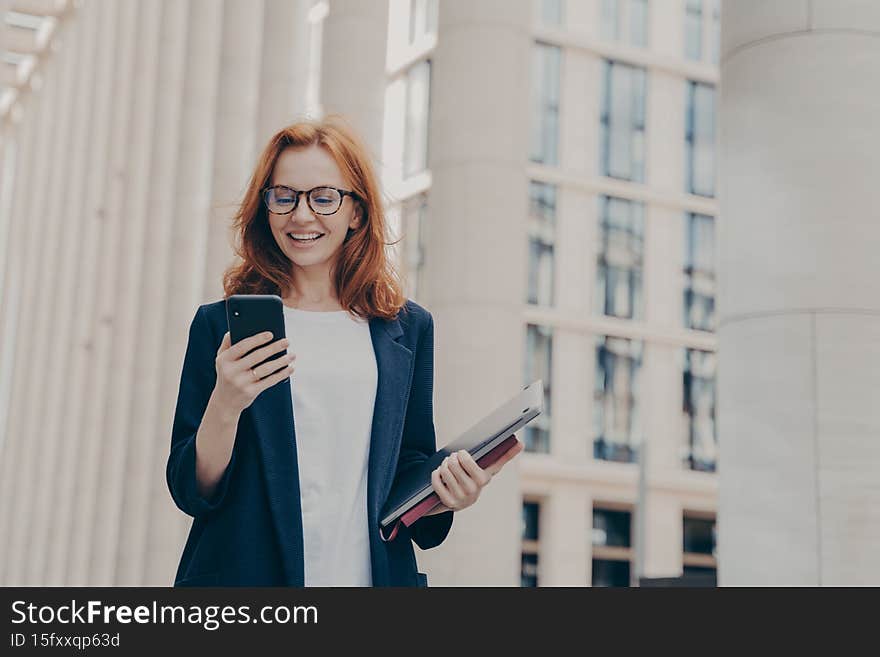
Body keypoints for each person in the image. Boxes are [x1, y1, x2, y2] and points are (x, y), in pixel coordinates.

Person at [166, 116, 523, 587]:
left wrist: (448, 492)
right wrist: (226, 403)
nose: (301, 215)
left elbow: (409, 467)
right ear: (265, 206)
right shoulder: (219, 325)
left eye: (324, 197)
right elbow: (194, 490)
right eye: (284, 196)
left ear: (356, 211)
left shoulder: (406, 329)